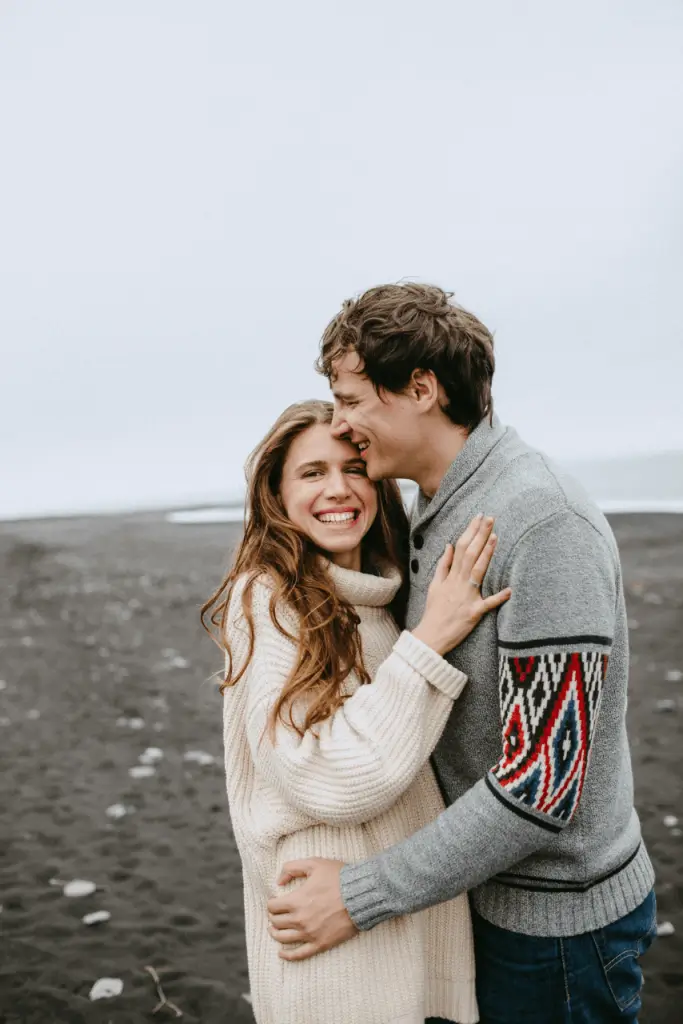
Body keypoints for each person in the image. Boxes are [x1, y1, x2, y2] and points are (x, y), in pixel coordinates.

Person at [266, 285, 657, 1024]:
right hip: (480, 898)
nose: (342, 425)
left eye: (349, 399)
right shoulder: (435, 501)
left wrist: (360, 894)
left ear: (420, 388)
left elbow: (542, 784)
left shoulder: (541, 523)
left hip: (560, 931)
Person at [202, 399, 511, 1024]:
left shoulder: (380, 602)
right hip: (332, 944)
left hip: (401, 919)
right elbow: (330, 777)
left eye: (353, 467)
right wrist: (430, 641)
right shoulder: (267, 597)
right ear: (277, 494)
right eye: (312, 473)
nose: (338, 489)